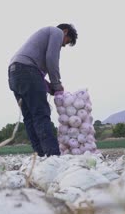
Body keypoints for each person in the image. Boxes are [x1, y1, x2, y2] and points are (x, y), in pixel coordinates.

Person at [8, 23, 78, 156]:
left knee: (29, 117)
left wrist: (48, 87)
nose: (61, 46)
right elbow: (52, 59)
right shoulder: (56, 32)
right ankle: (53, 156)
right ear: (65, 31)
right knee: (41, 114)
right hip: (27, 72)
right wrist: (57, 84)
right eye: (65, 43)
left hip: (14, 74)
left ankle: (40, 156)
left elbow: (34, 75)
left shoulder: (33, 48)